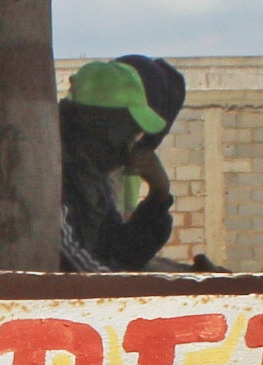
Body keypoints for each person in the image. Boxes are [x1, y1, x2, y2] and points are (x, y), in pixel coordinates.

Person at [59, 60, 178, 272]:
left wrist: (158, 195)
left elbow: (122, 252)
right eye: (129, 134)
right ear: (102, 125)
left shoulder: (93, 177)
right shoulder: (56, 169)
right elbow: (82, 270)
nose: (130, 147)